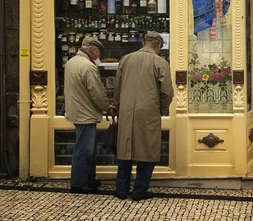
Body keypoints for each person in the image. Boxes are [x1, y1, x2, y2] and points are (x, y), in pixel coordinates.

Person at [114, 31, 174, 201]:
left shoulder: (125, 59)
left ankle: (121, 190)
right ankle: (139, 192)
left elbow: (117, 88)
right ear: (158, 46)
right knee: (147, 151)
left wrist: (118, 105)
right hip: (149, 112)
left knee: (125, 151)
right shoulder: (160, 62)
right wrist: (161, 109)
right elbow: (167, 93)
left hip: (126, 111)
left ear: (143, 43)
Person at [64, 36, 110, 194]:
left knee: (85, 147)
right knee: (84, 150)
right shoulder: (88, 67)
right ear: (94, 50)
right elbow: (97, 92)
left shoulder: (71, 62)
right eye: (98, 53)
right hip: (85, 113)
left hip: (76, 111)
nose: (99, 57)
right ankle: (79, 183)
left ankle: (89, 179)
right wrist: (107, 107)